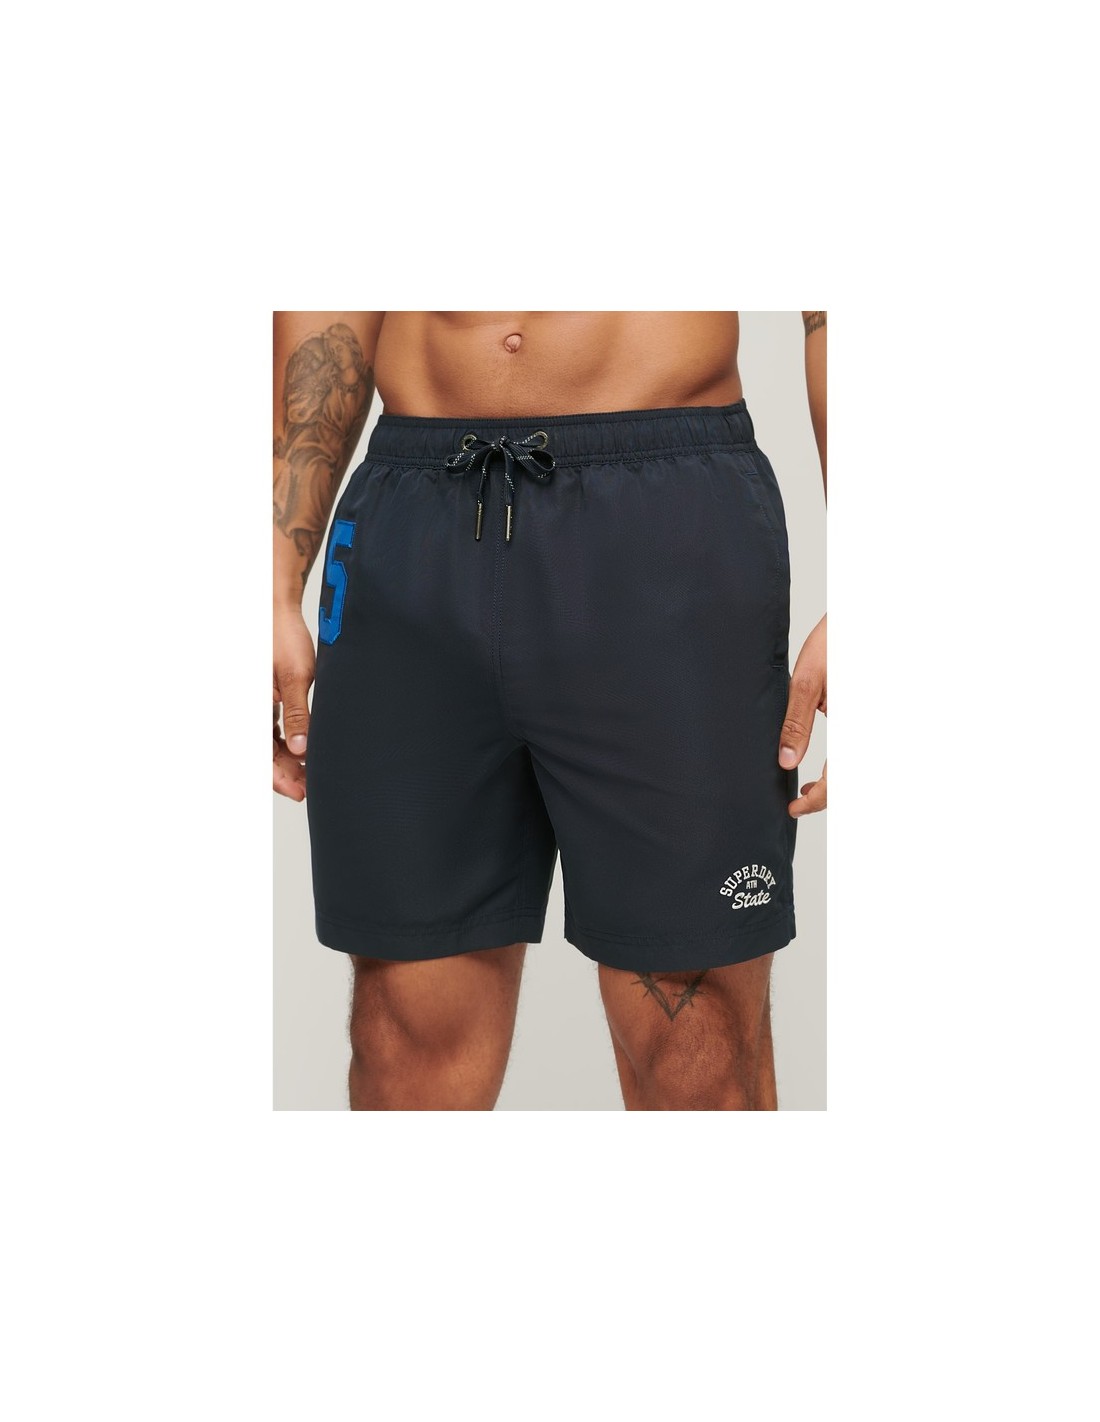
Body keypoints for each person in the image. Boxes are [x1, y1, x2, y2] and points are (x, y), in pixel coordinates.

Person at [273, 312, 826, 1111]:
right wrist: (273, 579)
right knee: (402, 1042)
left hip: (663, 519)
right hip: (411, 520)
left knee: (697, 1047)